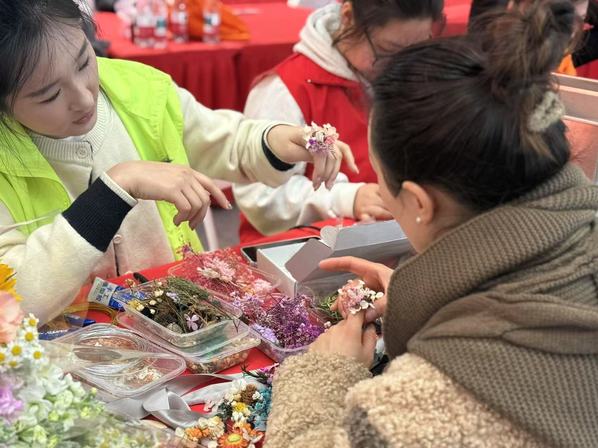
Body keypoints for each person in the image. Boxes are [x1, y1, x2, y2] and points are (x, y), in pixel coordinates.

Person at [264, 1, 598, 447]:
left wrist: (323, 372)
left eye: (382, 181)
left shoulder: (454, 388)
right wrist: (424, 298)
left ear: (419, 203)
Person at [0, 0, 354, 324]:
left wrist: (276, 140)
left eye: (84, 62)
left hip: (180, 326)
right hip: (64, 353)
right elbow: (16, 301)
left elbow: (226, 141)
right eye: (50, 95)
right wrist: (116, 188)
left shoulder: (140, 91)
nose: (83, 97)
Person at [233, 0, 444, 242]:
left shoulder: (410, 73)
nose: (400, 64)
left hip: (393, 237)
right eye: (387, 50)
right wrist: (346, 199)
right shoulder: (287, 89)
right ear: (348, 17)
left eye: (416, 49)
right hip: (302, 248)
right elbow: (260, 196)